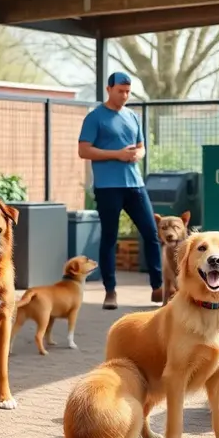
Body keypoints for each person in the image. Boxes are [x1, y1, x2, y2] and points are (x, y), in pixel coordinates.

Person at [78, 71, 163, 310]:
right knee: (109, 238)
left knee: (151, 234)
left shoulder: (133, 117)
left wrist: (138, 154)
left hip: (135, 185)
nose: (124, 96)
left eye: (128, 92)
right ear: (109, 89)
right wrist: (116, 154)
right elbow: (84, 151)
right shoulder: (95, 118)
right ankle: (110, 291)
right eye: (120, 91)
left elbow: (141, 147)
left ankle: (158, 287)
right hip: (108, 187)